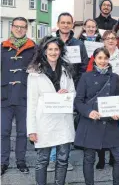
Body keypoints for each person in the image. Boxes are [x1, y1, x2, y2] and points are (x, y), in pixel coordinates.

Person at [26, 36, 75, 185]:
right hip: (44, 123)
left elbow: (73, 92)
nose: (53, 52)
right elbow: (32, 102)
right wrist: (32, 130)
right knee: (42, 160)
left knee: (63, 159)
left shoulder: (67, 69)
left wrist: (67, 94)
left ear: (60, 51)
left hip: (63, 121)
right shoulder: (35, 72)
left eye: (56, 49)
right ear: (44, 51)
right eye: (50, 49)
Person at [74, 47, 119, 185]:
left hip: (109, 123)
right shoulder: (86, 77)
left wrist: (118, 113)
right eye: (100, 58)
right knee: (89, 158)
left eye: (105, 58)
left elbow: (118, 99)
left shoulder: (114, 77)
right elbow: (78, 101)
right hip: (91, 123)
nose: (103, 61)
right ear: (94, 59)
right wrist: (88, 112)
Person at [48, 12, 89, 172]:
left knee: (67, 125)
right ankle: (52, 159)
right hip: (52, 89)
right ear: (58, 24)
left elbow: (84, 67)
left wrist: (78, 88)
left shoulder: (79, 44)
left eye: (68, 23)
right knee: (52, 123)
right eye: (62, 22)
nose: (65, 25)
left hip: (72, 90)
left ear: (72, 25)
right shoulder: (50, 42)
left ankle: (64, 159)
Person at [86, 30, 119, 170]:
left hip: (116, 96)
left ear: (117, 41)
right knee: (99, 129)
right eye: (107, 38)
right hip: (99, 97)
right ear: (103, 41)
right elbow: (88, 75)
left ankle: (112, 155)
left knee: (114, 128)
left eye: (113, 38)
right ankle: (101, 158)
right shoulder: (97, 56)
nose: (110, 40)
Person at [1, 17, 35, 175]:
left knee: (22, 132)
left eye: (23, 27)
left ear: (26, 29)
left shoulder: (33, 48)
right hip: (5, 95)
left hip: (24, 95)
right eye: (16, 26)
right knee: (3, 132)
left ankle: (21, 161)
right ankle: (3, 162)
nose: (19, 29)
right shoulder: (2, 47)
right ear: (12, 28)